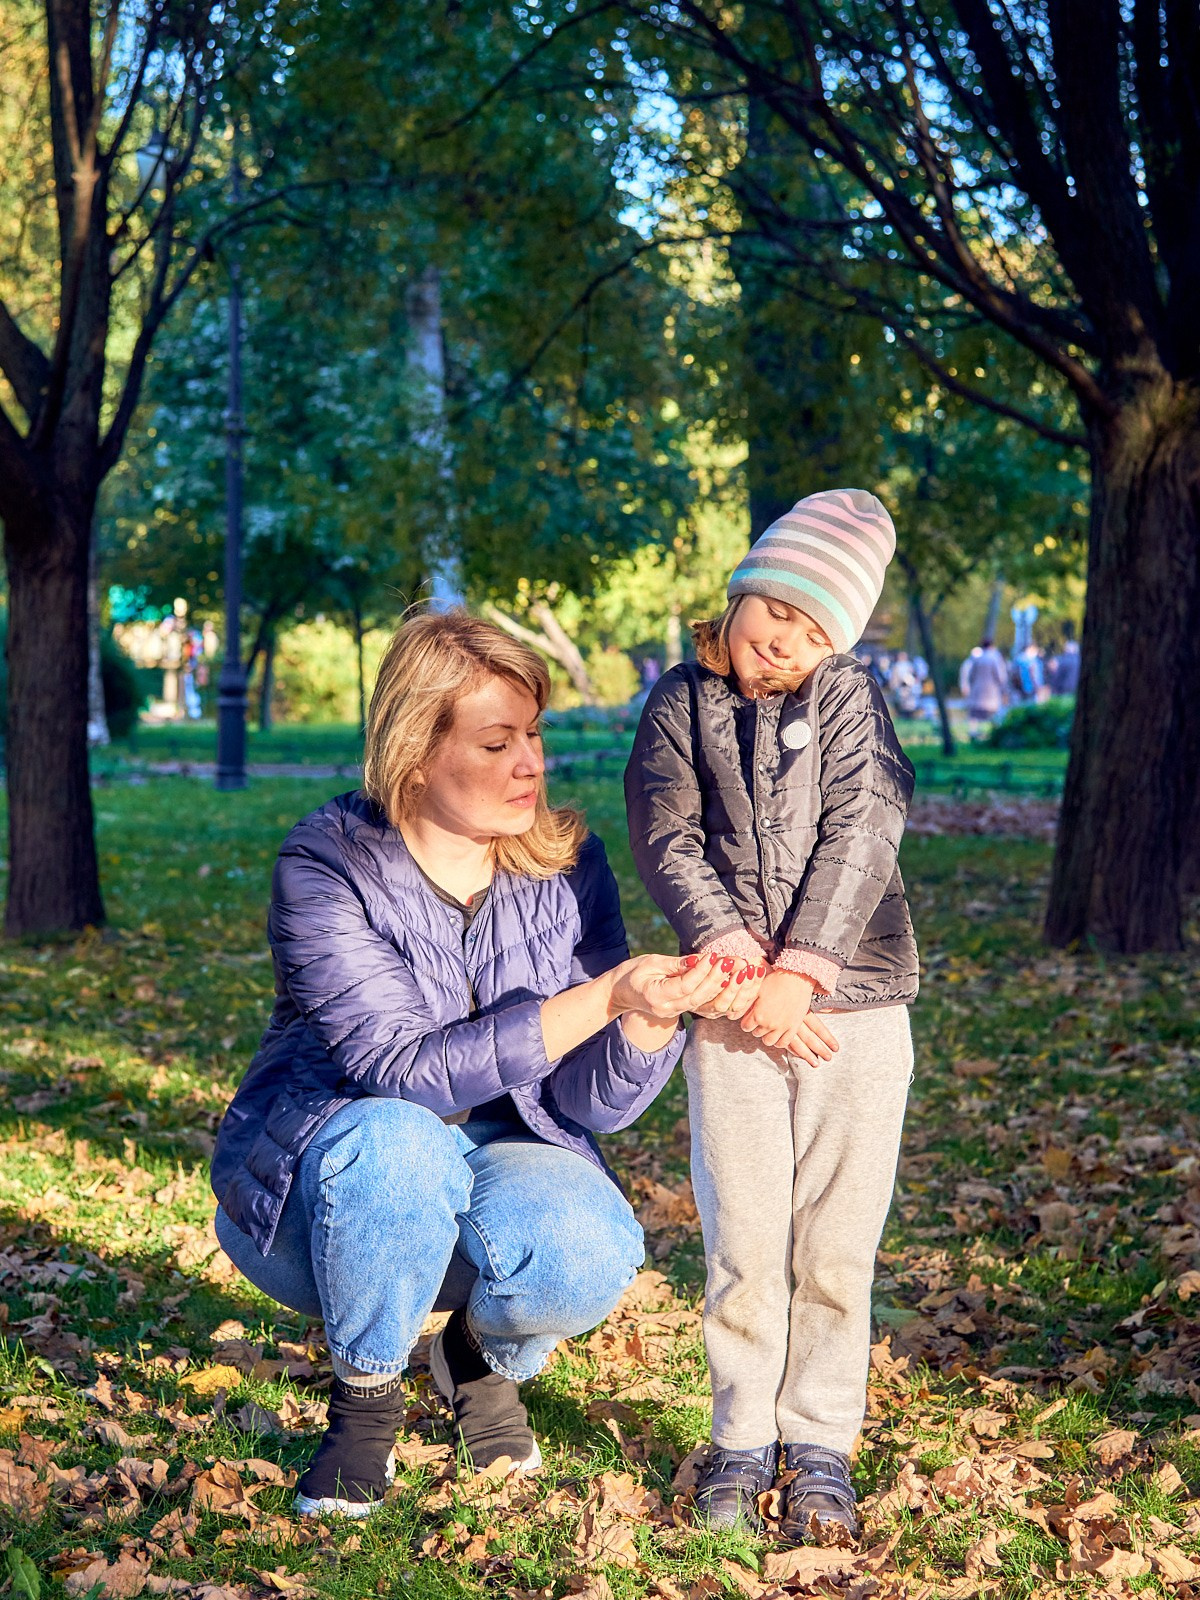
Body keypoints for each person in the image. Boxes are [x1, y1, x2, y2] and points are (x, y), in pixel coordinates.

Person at [211, 611, 730, 1519]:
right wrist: (601, 998)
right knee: (402, 1141)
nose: (530, 763)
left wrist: (646, 1021)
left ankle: (475, 1360)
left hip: (497, 1160)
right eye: (496, 742)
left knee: (590, 1249)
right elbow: (401, 1070)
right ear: (416, 752)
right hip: (322, 1195)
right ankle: (365, 1409)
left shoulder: (569, 866)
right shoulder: (325, 864)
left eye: (533, 735)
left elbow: (587, 1104)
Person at [625, 489, 919, 1546]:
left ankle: (821, 1444)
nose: (785, 643)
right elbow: (665, 829)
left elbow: (865, 823)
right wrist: (741, 965)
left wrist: (805, 970)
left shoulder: (848, 697)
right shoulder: (679, 699)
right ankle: (742, 1434)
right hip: (733, 1008)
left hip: (856, 1008)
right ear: (744, 589)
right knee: (746, 1238)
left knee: (834, 1245)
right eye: (776, 612)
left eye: (814, 627)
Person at [965, 636, 1008, 732]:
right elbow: (1000, 676)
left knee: (974, 714)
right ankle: (995, 732)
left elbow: (971, 676)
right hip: (991, 691)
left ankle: (973, 732)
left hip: (977, 691)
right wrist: (1004, 688)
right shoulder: (995, 659)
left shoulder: (977, 659)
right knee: (993, 713)